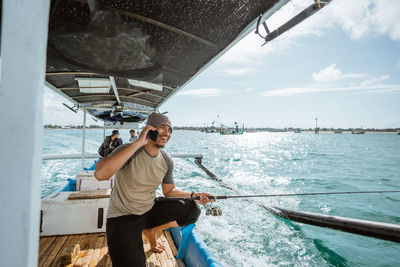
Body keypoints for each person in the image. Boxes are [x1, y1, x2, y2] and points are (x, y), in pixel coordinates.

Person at [94, 113, 214, 267]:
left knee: (191, 208)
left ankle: (151, 231)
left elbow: (169, 191)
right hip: (122, 217)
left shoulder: (166, 159)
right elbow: (100, 174)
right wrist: (138, 143)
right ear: (149, 129)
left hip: (149, 210)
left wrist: (193, 195)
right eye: (162, 127)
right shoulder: (129, 149)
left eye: (170, 129)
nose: (167, 132)